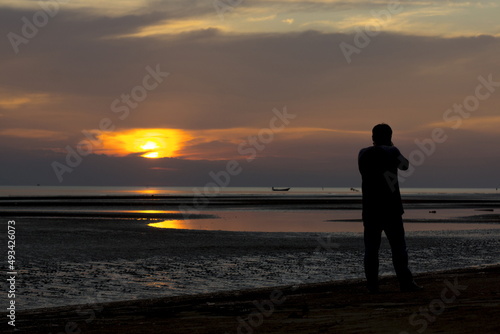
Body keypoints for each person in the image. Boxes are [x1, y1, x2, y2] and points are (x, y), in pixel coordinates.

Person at [358, 123, 422, 293]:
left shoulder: (362, 153)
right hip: (390, 208)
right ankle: (405, 283)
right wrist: (392, 147)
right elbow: (405, 165)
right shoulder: (392, 151)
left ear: (373, 137)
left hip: (370, 208)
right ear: (389, 136)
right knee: (398, 247)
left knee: (371, 250)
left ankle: (372, 285)